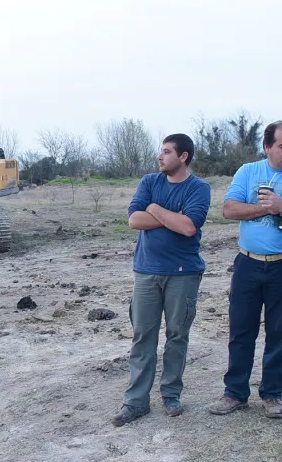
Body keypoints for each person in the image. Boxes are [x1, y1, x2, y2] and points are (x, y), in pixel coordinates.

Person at [209, 120, 282, 419]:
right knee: (241, 330)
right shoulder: (248, 171)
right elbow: (229, 209)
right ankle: (235, 393)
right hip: (248, 263)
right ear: (267, 147)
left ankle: (272, 393)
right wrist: (268, 207)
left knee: (279, 331)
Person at [112, 133, 211, 427]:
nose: (160, 156)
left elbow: (189, 227)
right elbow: (134, 220)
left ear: (183, 157)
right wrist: (166, 215)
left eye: (167, 152)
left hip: (184, 273)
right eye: (161, 151)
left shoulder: (199, 188)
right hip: (146, 271)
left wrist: (153, 210)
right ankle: (136, 402)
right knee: (143, 337)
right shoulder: (149, 182)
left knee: (177, 336)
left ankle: (171, 395)